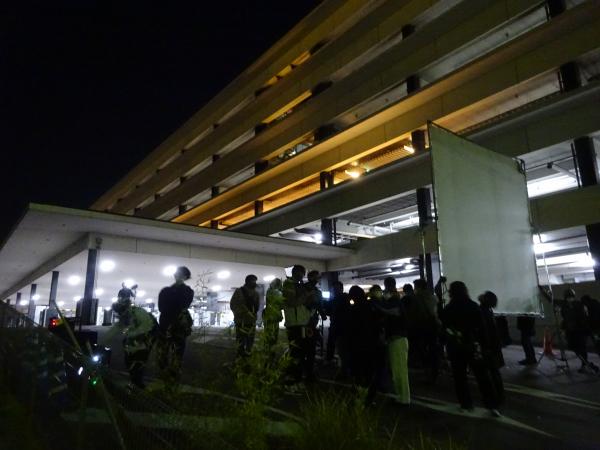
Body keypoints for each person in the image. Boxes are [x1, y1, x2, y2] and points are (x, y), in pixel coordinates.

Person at [440, 281, 501, 416]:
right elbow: (482, 329)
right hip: (474, 347)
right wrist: (484, 346)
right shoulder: (473, 306)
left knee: (460, 378)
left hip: (456, 348)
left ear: (451, 292)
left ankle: (466, 404)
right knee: (482, 377)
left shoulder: (449, 309)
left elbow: (445, 329)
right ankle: (492, 405)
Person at [112, 288, 158, 389]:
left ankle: (137, 386)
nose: (121, 299)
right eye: (121, 297)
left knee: (137, 360)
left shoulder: (132, 310)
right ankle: (135, 383)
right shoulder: (125, 309)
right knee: (132, 360)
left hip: (146, 335)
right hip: (144, 335)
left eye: (123, 297)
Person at [157, 266, 194, 386]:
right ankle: (166, 372)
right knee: (163, 352)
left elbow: (183, 304)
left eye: (180, 273)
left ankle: (174, 373)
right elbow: (162, 307)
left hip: (176, 324)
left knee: (177, 351)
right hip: (170, 324)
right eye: (176, 273)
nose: (177, 275)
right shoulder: (166, 290)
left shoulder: (186, 291)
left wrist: (171, 307)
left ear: (185, 276)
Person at [379, 277, 410, 406]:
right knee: (398, 370)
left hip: (397, 339)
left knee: (400, 371)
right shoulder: (396, 300)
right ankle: (401, 396)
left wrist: (379, 306)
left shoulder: (395, 301)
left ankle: (404, 398)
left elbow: (393, 312)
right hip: (398, 339)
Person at [282, 265, 312, 384]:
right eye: (301, 273)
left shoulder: (300, 285)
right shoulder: (289, 285)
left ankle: (297, 375)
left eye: (303, 273)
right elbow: (292, 302)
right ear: (295, 273)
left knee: (301, 351)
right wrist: (306, 295)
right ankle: (292, 377)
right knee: (295, 351)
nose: (302, 275)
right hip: (294, 323)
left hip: (302, 323)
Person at [560, 289, 598, 373]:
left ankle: (585, 365)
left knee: (580, 348)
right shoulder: (566, 307)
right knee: (575, 347)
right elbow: (565, 319)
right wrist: (564, 329)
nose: (570, 299)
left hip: (578, 331)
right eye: (568, 297)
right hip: (572, 331)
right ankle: (585, 364)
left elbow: (582, 318)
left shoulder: (578, 305)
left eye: (570, 297)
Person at [478, 291, 505, 406]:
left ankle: (492, 398)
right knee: (494, 373)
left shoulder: (482, 312)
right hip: (494, 347)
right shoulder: (489, 312)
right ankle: (499, 395)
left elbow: (484, 332)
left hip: (487, 347)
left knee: (487, 374)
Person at [413, 278, 442, 382]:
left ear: (419, 287)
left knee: (423, 350)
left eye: (415, 287)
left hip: (422, 327)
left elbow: (417, 314)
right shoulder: (432, 297)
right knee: (433, 349)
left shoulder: (417, 298)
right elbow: (435, 312)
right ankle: (435, 370)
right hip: (433, 326)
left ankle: (428, 373)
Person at [230, 274, 260, 358]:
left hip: (251, 321)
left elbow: (257, 306)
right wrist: (244, 313)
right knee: (240, 340)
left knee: (250, 340)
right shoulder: (239, 291)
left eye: (255, 281)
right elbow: (233, 305)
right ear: (247, 281)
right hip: (241, 321)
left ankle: (248, 354)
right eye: (252, 281)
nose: (254, 283)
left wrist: (253, 315)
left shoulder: (256, 293)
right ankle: (240, 356)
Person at [263, 278, 284, 350]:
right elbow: (282, 304)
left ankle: (268, 349)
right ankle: (269, 350)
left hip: (271, 316)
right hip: (272, 316)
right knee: (272, 335)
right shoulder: (274, 292)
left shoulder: (270, 291)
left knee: (270, 334)